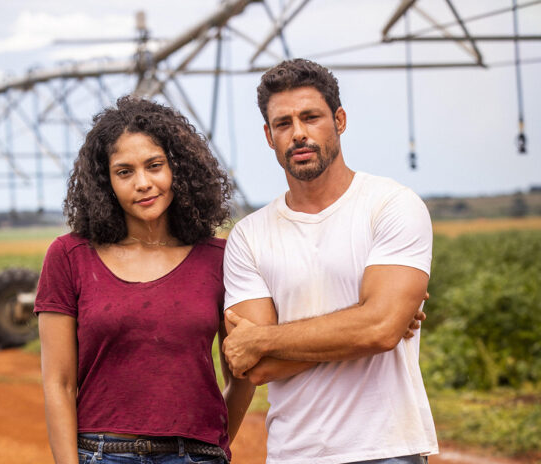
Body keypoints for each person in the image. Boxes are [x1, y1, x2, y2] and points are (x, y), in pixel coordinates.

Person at [221, 59, 438, 464]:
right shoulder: (248, 236)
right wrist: (364, 323)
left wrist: (264, 338)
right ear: (269, 136)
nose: (298, 133)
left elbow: (379, 330)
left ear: (339, 119)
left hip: (387, 449)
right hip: (293, 453)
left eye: (311, 117)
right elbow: (257, 368)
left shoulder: (392, 205)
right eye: (283, 123)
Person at [34, 96, 255, 464]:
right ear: (105, 182)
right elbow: (59, 384)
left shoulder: (218, 257)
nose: (143, 183)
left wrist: (211, 446)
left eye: (155, 166)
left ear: (179, 169)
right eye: (124, 172)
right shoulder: (70, 256)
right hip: (102, 453)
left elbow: (242, 375)